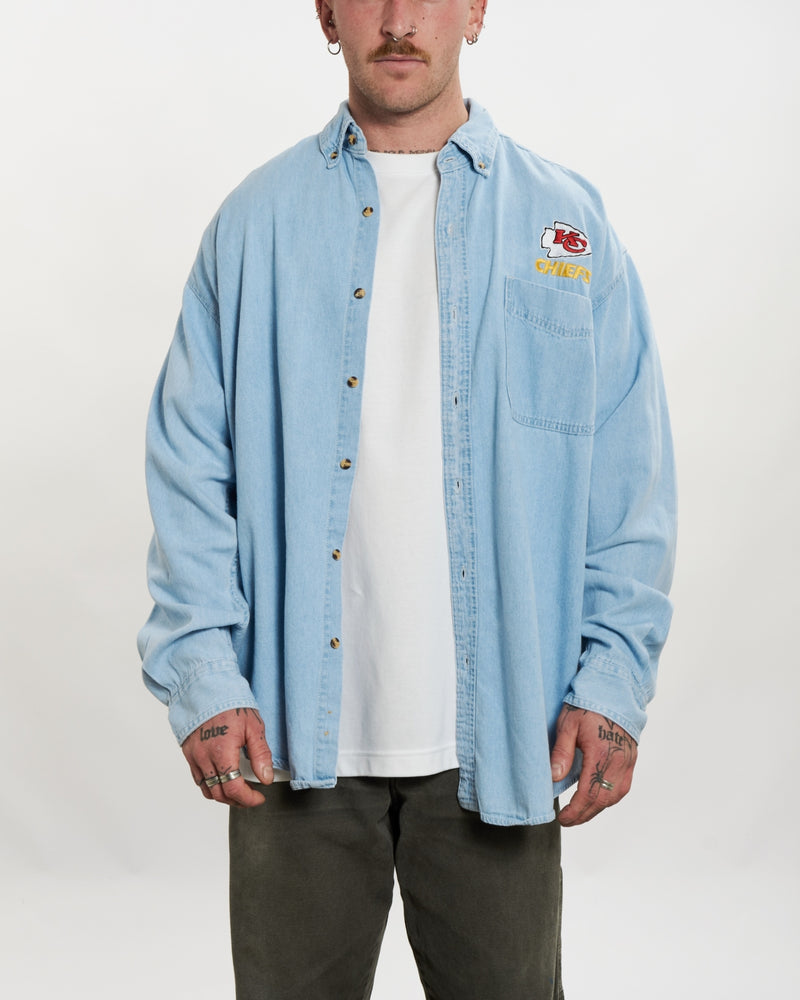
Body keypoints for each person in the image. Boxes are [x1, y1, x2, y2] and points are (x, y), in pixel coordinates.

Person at [138, 2, 676, 997]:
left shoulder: (567, 227)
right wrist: (204, 672)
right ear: (325, 13)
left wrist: (611, 679)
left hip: (505, 737)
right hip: (289, 740)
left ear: (475, 9)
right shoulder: (253, 225)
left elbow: (628, 481)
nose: (396, 19)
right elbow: (188, 470)